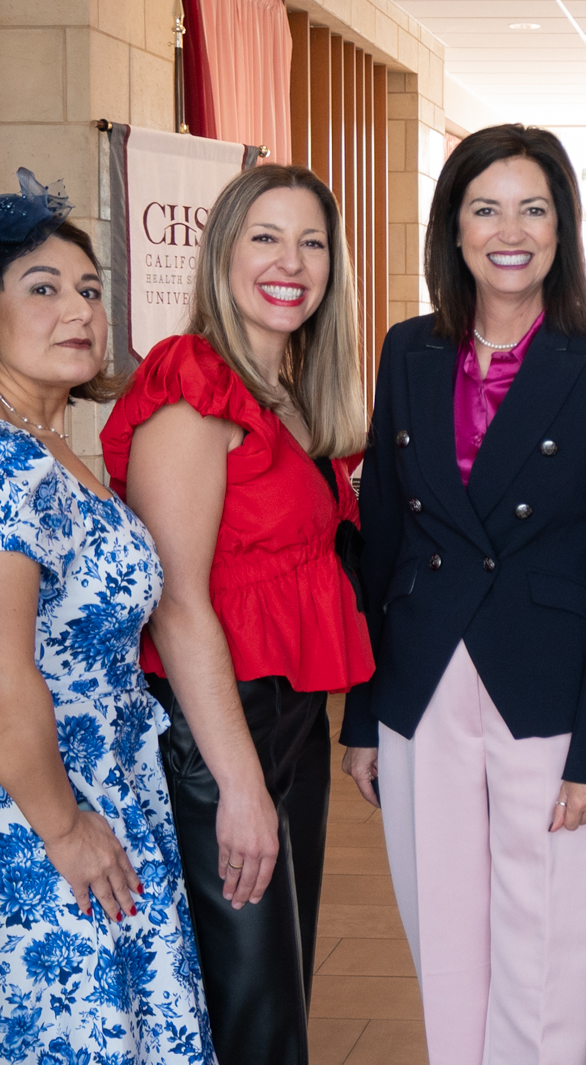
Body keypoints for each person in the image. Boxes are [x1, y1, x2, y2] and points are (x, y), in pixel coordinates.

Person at [335, 123, 586, 1065]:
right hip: (424, 680)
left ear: (563, 229)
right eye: (486, 209)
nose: (509, 231)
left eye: (533, 209)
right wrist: (364, 716)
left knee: (548, 950)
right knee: (443, 943)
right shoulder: (408, 351)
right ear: (455, 227)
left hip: (550, 690)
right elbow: (384, 541)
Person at [0, 172, 214, 1064]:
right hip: (39, 807)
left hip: (105, 784)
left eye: (89, 289)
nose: (78, 310)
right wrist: (64, 829)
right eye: (42, 290)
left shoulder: (43, 442)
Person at [100, 164, 371, 1063]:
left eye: (312, 243)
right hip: (221, 730)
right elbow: (177, 603)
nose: (291, 262)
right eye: (266, 237)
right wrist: (241, 785)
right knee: (250, 1014)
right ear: (221, 253)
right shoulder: (193, 382)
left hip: (290, 721)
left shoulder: (290, 391)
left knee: (279, 995)